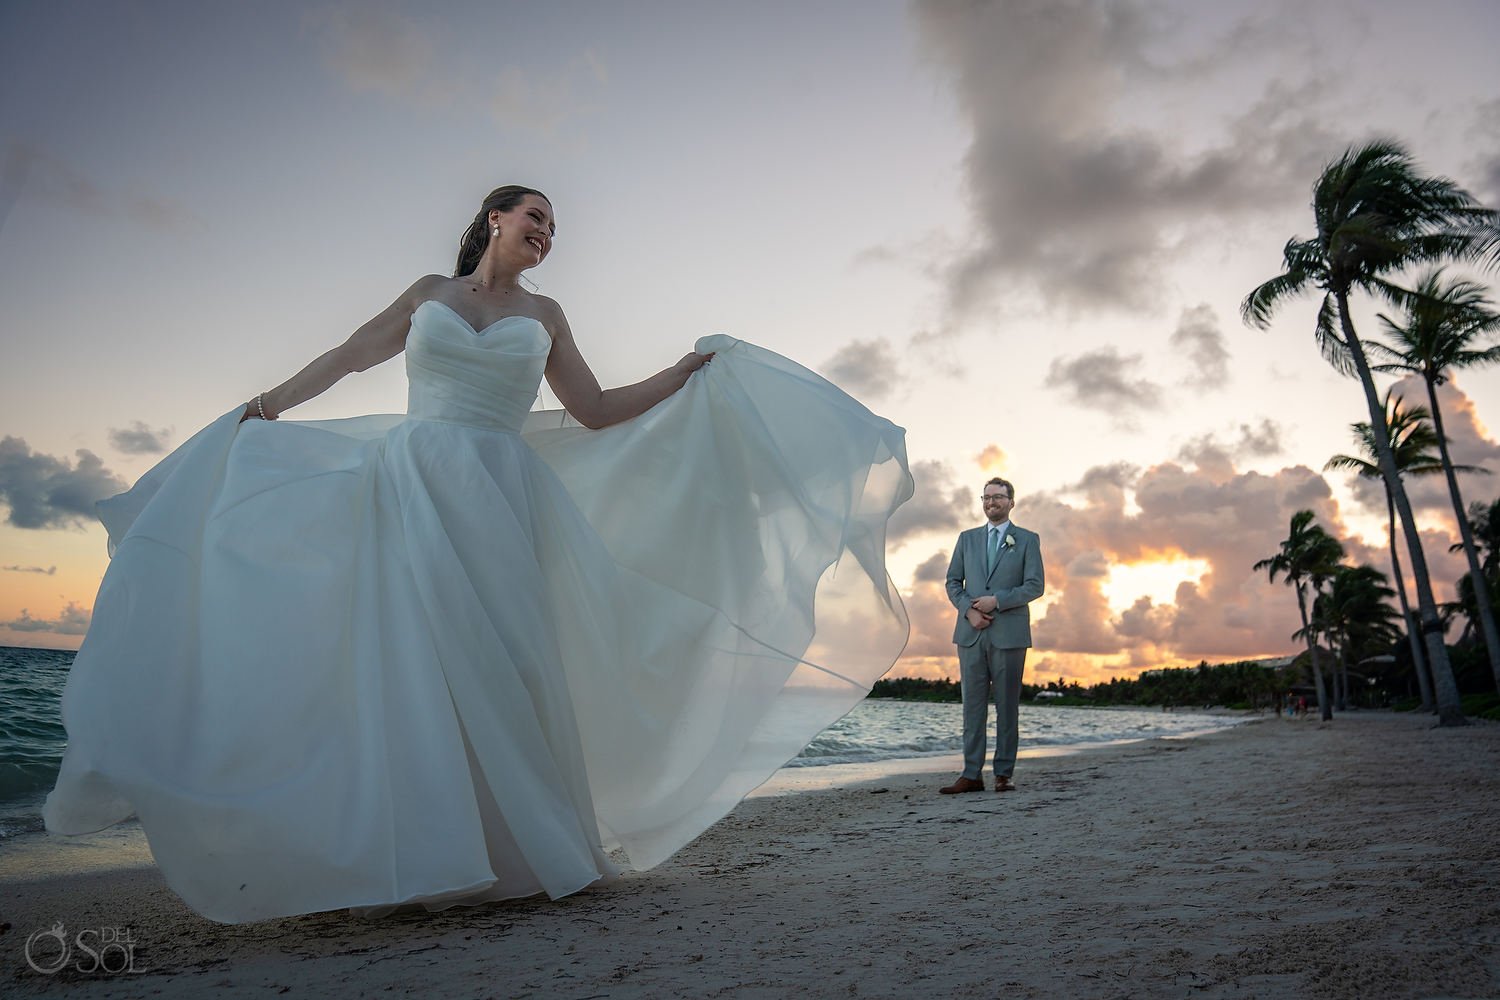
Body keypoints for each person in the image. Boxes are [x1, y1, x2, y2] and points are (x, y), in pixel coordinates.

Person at [44, 184, 914, 923]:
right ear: (493, 218)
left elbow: (599, 409)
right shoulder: (429, 292)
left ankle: (513, 851)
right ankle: (411, 847)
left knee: (502, 660)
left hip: (500, 494)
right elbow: (352, 355)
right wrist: (265, 407)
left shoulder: (546, 315)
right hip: (411, 477)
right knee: (410, 654)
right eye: (535, 217)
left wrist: (687, 369)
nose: (546, 233)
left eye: (554, 229)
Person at [940, 477, 1044, 794]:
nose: (990, 502)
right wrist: (968, 611)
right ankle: (972, 774)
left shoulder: (1026, 539)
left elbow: (1035, 586)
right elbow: (952, 582)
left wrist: (997, 601)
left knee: (1007, 706)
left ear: (1011, 502)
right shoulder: (966, 539)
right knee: (972, 706)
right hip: (970, 633)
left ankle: (1003, 774)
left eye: (997, 497)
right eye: (985, 497)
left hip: (1009, 634)